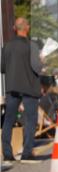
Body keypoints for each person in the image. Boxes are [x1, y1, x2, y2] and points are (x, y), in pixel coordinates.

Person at [1, 18, 44, 163]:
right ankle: (26, 153)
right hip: (29, 87)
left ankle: (7, 154)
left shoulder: (6, 46)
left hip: (12, 86)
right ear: (28, 28)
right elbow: (37, 67)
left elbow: (2, 67)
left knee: (9, 120)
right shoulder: (32, 46)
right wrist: (41, 60)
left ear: (14, 28)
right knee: (30, 120)